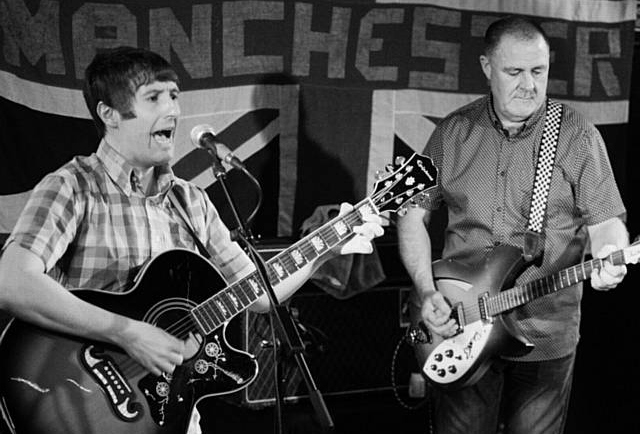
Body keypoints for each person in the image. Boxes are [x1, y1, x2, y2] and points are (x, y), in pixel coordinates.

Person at [0, 46, 383, 433]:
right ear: (109, 114)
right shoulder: (74, 186)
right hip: (79, 398)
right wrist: (130, 334)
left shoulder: (191, 200)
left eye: (174, 96)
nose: (172, 110)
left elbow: (262, 292)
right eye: (154, 98)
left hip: (172, 415)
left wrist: (325, 246)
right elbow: (12, 282)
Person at [397, 15, 628, 434]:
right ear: (487, 68)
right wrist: (427, 290)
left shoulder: (577, 136)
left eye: (538, 71)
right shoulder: (452, 133)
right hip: (460, 322)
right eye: (514, 72)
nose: (529, 85)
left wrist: (613, 255)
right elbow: (412, 212)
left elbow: (606, 222)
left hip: (545, 333)